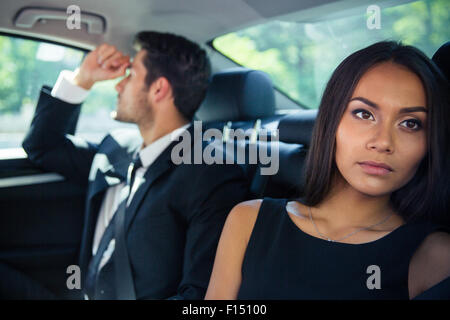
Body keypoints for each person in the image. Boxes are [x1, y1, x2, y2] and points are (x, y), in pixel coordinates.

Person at [205, 41, 450, 300]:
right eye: (364, 114)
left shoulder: (434, 257)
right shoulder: (249, 221)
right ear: (330, 122)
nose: (383, 142)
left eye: (410, 123)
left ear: (430, 142)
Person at [15, 31, 249, 299]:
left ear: (159, 89)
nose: (118, 85)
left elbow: (198, 296)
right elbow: (42, 145)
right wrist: (82, 79)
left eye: (131, 75)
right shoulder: (115, 147)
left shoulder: (210, 175)